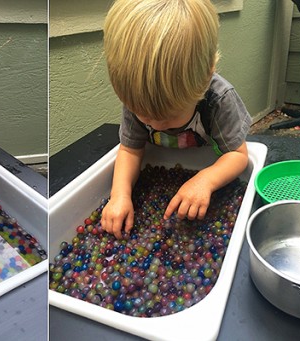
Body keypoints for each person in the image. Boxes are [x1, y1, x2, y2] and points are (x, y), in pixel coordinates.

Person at [99, 0, 252, 238]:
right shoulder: (136, 96)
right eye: (144, 114)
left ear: (206, 76)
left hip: (204, 160)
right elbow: (130, 150)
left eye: (169, 116)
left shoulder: (218, 100)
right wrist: (120, 195)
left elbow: (238, 155)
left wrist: (206, 180)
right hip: (160, 168)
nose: (156, 125)